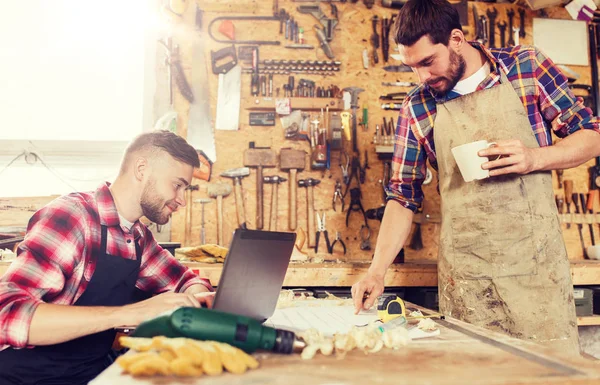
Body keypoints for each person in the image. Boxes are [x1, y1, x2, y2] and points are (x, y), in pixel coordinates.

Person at [351, 0, 600, 356]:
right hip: (468, 280)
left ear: (455, 39)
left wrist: (534, 158)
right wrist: (377, 271)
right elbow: (402, 197)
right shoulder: (417, 106)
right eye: (411, 67)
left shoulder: (525, 68)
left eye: (427, 62)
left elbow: (592, 134)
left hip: (537, 275)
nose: (421, 77)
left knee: (549, 375)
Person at [0, 130, 215, 384]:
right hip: (30, 377)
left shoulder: (137, 237)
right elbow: (8, 314)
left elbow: (184, 280)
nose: (182, 200)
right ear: (142, 169)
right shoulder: (72, 217)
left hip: (90, 373)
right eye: (177, 185)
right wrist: (128, 313)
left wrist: (197, 300)